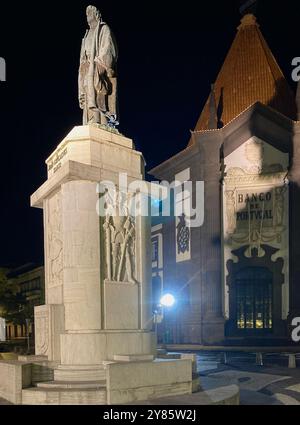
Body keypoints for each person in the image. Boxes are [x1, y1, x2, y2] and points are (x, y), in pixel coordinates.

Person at [79, 5, 118, 126]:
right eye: (86, 15)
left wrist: (100, 61)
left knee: (97, 85)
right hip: (87, 66)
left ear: (96, 15)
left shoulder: (103, 28)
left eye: (90, 13)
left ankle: (101, 119)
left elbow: (108, 46)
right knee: (87, 88)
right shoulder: (86, 34)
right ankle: (91, 119)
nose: (88, 17)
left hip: (99, 63)